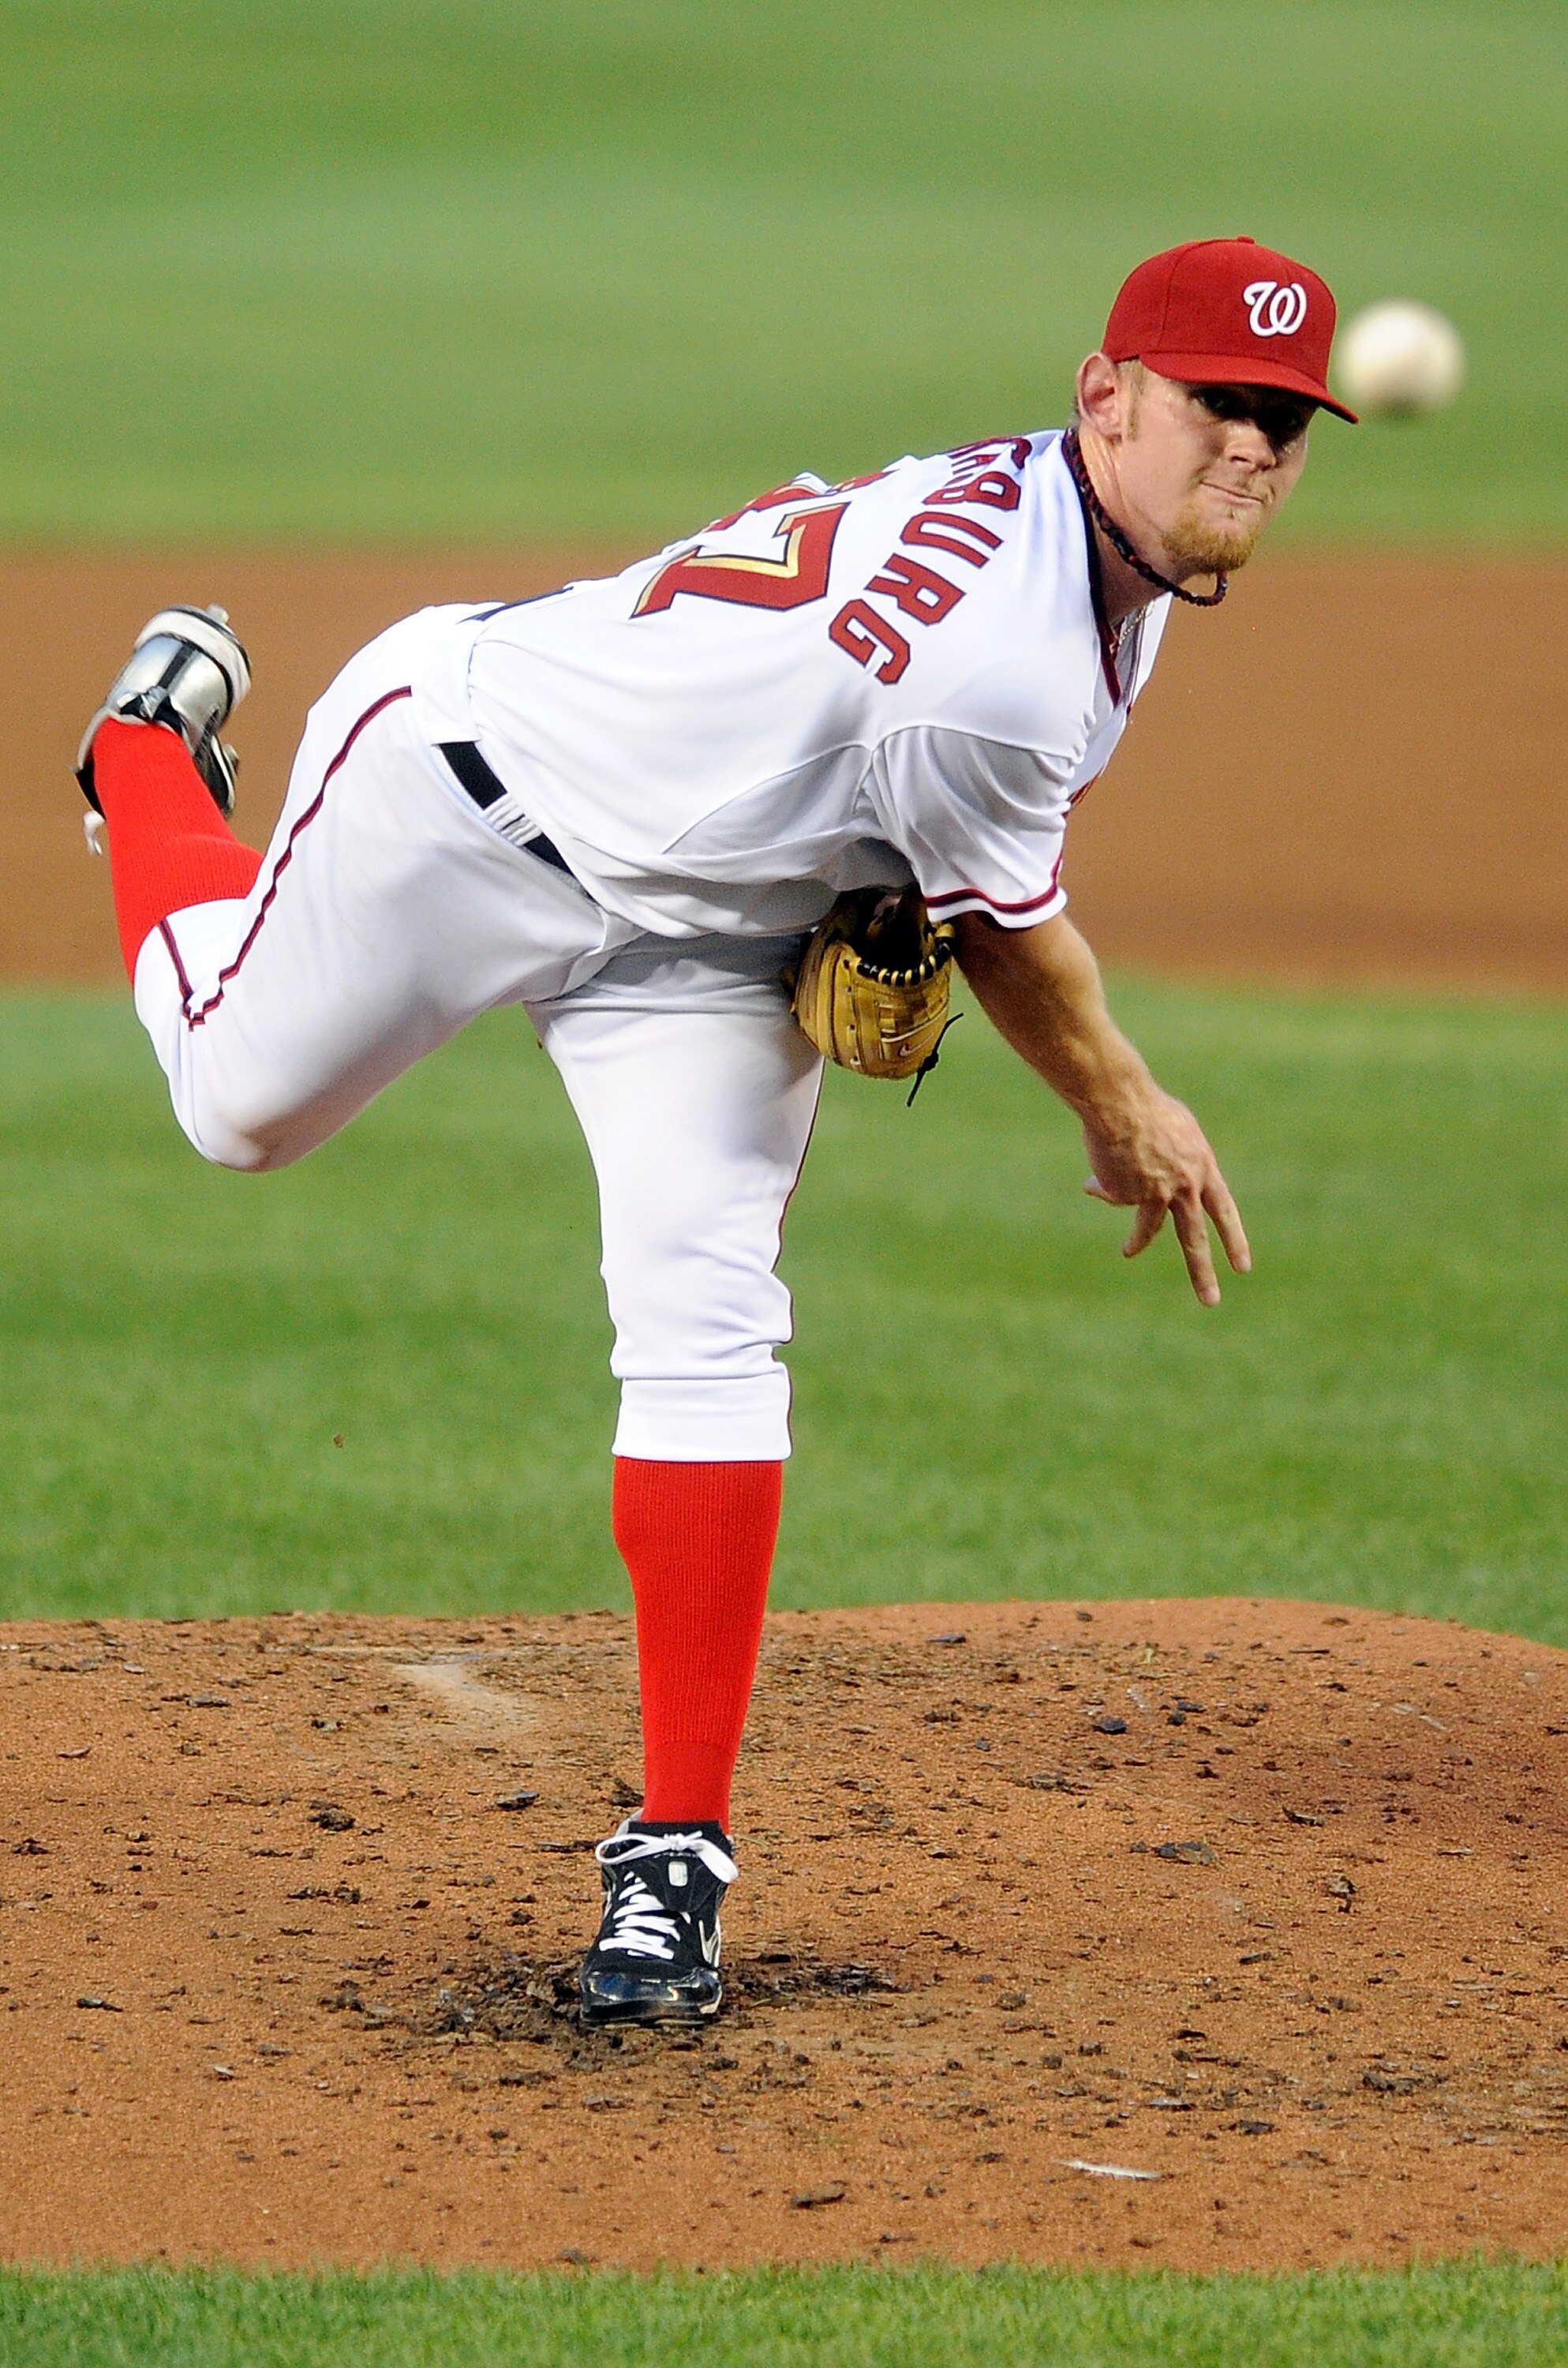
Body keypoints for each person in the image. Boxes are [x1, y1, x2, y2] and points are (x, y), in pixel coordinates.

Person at [70, 235, 1354, 2027]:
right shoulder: (1004, 658)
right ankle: (146, 751)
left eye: (1286, 419)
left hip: (705, 940)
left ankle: (673, 1854)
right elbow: (1012, 942)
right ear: (1107, 397)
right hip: (464, 798)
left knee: (707, 1320)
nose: (1254, 446)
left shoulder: (1094, 553)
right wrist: (1131, 1110)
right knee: (232, 1111)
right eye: (1219, 400)